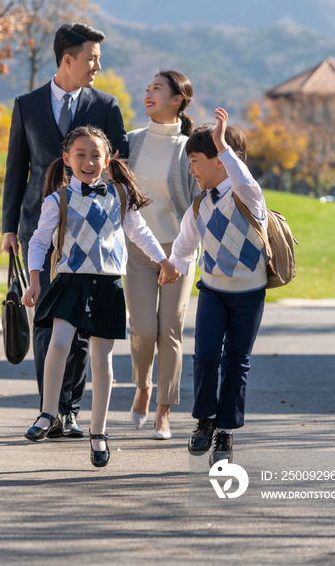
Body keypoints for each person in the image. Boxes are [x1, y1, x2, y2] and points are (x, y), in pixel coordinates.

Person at [21, 126, 180, 467]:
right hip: (69, 282)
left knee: (101, 360)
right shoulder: (57, 200)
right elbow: (38, 242)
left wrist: (163, 260)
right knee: (59, 343)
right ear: (67, 160)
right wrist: (34, 280)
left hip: (107, 285)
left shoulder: (120, 196)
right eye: (80, 155)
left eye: (96, 155)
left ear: (107, 160)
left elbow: (141, 233)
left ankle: (98, 433)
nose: (89, 161)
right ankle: (48, 414)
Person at [2, 22, 128, 439]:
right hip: (40, 227)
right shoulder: (26, 104)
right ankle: (49, 408)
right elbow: (16, 171)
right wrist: (8, 229)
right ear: (67, 60)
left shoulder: (106, 105)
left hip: (89, 234)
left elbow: (119, 167)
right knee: (48, 324)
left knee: (80, 326)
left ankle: (71, 409)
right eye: (92, 57)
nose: (97, 65)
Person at [162, 108, 267, 465]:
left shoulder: (249, 197)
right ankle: (205, 421)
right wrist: (172, 268)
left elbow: (243, 179)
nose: (191, 169)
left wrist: (223, 145)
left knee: (236, 362)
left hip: (248, 296)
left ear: (222, 161)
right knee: (206, 357)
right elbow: (184, 245)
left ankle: (226, 432)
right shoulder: (198, 205)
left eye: (195, 160)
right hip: (212, 293)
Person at [124, 71, 200, 440]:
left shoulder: (189, 148)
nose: (148, 93)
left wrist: (184, 253)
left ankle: (164, 411)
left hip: (180, 249)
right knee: (143, 328)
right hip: (138, 249)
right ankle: (143, 386)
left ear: (177, 100)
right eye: (148, 87)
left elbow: (200, 201)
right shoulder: (130, 142)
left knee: (170, 329)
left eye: (157, 88)